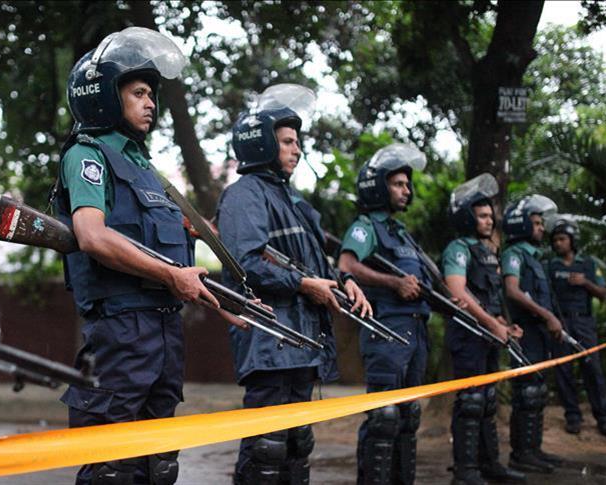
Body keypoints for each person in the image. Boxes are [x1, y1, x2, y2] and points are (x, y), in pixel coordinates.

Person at [54, 27, 227, 485]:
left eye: (152, 94)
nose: (150, 103)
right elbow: (92, 236)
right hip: (120, 331)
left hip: (164, 331)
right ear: (104, 96)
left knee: (159, 465)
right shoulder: (88, 156)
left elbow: (178, 254)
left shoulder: (147, 169)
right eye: (138, 93)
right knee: (113, 468)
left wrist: (224, 298)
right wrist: (171, 276)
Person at [216, 84, 371, 485]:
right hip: (270, 339)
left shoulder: (293, 200)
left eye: (297, 143)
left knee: (297, 444)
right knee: (267, 446)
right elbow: (246, 264)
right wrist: (303, 284)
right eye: (287, 142)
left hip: (303, 339)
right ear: (261, 143)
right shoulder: (244, 195)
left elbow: (317, 263)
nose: (297, 150)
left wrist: (344, 281)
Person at [337, 144, 430, 485]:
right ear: (378, 187)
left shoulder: (402, 233)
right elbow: (347, 265)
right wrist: (394, 283)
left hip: (415, 332)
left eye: (407, 185)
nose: (406, 191)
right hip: (386, 330)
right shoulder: (365, 227)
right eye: (398, 184)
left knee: (408, 415)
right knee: (384, 417)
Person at [442, 174, 525, 485]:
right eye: (482, 216)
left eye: (491, 216)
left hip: (488, 337)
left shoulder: (487, 252)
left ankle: (490, 465)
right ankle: (465, 472)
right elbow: (458, 291)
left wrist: (503, 324)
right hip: (468, 337)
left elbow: (490, 299)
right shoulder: (458, 248)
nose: (490, 221)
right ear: (467, 217)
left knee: (488, 401)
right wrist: (491, 323)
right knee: (471, 402)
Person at [501, 195, 564, 473]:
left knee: (538, 392)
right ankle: (521, 454)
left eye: (540, 223)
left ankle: (534, 449)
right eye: (536, 223)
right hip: (524, 332)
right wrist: (547, 316)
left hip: (539, 334)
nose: (541, 228)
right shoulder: (514, 254)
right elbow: (512, 291)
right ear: (522, 224)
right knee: (526, 393)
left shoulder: (536, 258)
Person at [546, 217, 606, 437]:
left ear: (572, 240)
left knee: (593, 369)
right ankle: (573, 417)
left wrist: (585, 283)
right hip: (561, 323)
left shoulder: (588, 264)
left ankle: (603, 417)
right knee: (563, 370)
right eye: (555, 240)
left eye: (562, 239)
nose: (558, 243)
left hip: (584, 322)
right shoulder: (551, 266)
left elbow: (603, 294)